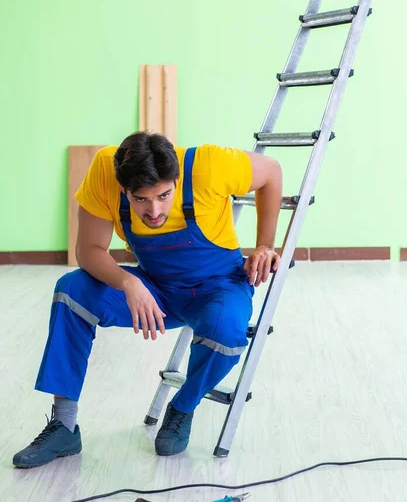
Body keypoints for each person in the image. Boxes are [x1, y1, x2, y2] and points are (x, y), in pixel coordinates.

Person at [12, 131, 282, 468]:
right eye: (140, 200)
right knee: (72, 290)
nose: (154, 211)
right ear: (123, 187)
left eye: (164, 196)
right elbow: (88, 250)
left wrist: (265, 244)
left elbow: (271, 171)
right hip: (154, 288)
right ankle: (64, 427)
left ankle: (182, 408)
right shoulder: (103, 170)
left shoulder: (210, 165)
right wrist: (127, 281)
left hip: (218, 287)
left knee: (226, 330)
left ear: (177, 179)